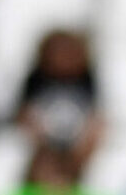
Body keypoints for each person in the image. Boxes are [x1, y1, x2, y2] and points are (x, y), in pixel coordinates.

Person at [15, 27, 102, 162]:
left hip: (78, 140)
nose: (63, 59)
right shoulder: (36, 78)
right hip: (41, 140)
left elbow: (95, 116)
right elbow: (23, 113)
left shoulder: (87, 78)